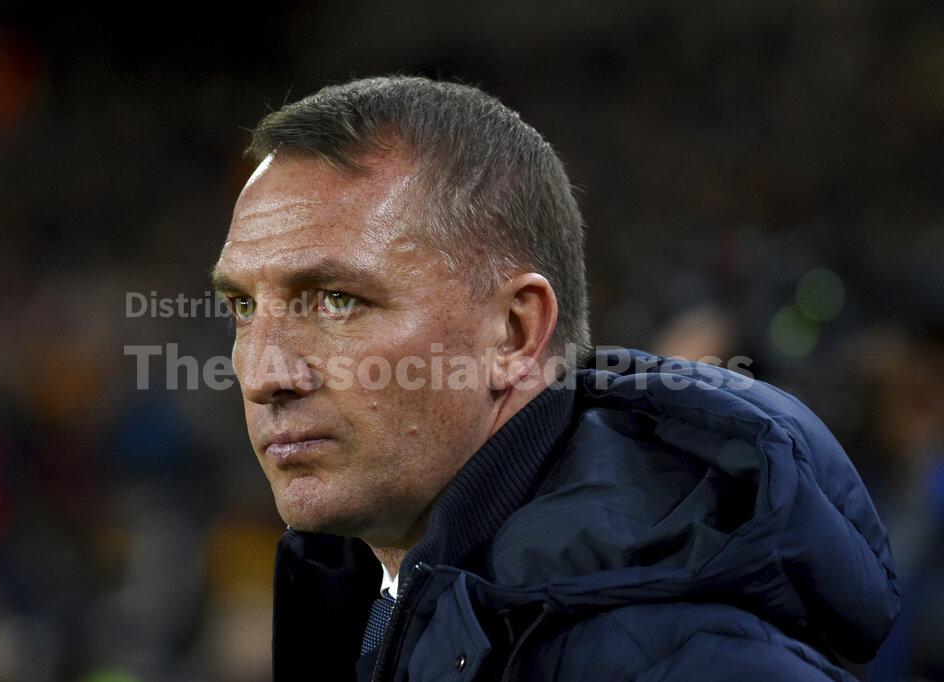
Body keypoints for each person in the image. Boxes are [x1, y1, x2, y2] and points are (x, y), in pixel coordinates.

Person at [210, 76, 899, 681]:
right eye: (243, 307)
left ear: (514, 333)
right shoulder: (366, 601)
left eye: (337, 300)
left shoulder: (679, 658)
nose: (265, 372)